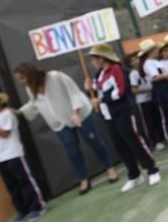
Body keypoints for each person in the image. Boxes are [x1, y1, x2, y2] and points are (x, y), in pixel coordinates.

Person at [13, 63, 117, 195]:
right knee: (72, 151)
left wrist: (76, 112)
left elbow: (74, 93)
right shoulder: (30, 88)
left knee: (94, 142)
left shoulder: (55, 77)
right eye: (19, 79)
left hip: (81, 114)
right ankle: (84, 179)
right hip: (60, 122)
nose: (22, 82)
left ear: (30, 73)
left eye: (22, 78)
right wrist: (19, 112)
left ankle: (110, 168)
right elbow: (35, 103)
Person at [86, 45, 161, 193]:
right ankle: (134, 175)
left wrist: (101, 100)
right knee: (120, 146)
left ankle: (152, 169)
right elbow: (97, 91)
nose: (92, 62)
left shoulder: (117, 69)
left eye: (94, 59)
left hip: (123, 112)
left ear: (102, 58)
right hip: (109, 116)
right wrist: (89, 87)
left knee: (134, 141)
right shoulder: (99, 74)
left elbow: (120, 91)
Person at [0, 86, 45, 222]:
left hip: (13, 153)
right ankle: (22, 210)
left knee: (24, 181)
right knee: (11, 185)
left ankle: (37, 207)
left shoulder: (8, 114)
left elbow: (6, 134)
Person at [139, 39, 168, 150]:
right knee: (167, 113)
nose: (157, 51)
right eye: (155, 49)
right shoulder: (148, 64)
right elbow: (155, 77)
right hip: (161, 89)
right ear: (150, 51)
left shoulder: (157, 61)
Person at [128, 52, 162, 149]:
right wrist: (147, 89)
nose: (136, 61)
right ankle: (154, 142)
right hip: (142, 101)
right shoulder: (133, 74)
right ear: (130, 63)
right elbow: (133, 89)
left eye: (136, 58)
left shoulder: (144, 69)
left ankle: (160, 138)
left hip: (152, 97)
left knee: (156, 119)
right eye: (133, 60)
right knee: (148, 123)